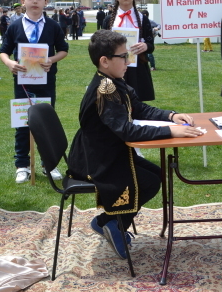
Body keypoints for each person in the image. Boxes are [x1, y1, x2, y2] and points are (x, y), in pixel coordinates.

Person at [67, 30, 201, 259]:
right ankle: (111, 223)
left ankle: (109, 222)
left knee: (156, 175)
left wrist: (170, 116)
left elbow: (139, 108)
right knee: (148, 182)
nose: (129, 61)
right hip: (96, 160)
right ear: (105, 61)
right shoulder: (105, 89)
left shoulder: (114, 81)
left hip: (109, 152)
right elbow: (127, 130)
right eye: (123, 56)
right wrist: (171, 131)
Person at [0, 0, 69, 183]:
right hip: (22, 84)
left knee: (46, 124)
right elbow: (3, 50)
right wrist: (10, 63)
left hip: (46, 82)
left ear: (46, 1)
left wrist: (51, 60)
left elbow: (64, 49)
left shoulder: (54, 26)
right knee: (23, 123)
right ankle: (22, 165)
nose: (35, 1)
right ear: (23, 2)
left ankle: (50, 164)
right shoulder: (14, 26)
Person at [103, 0, 156, 102]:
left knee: (137, 105)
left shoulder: (143, 19)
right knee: (115, 104)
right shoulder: (108, 20)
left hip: (137, 69)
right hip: (114, 69)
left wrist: (145, 46)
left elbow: (151, 45)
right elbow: (102, 45)